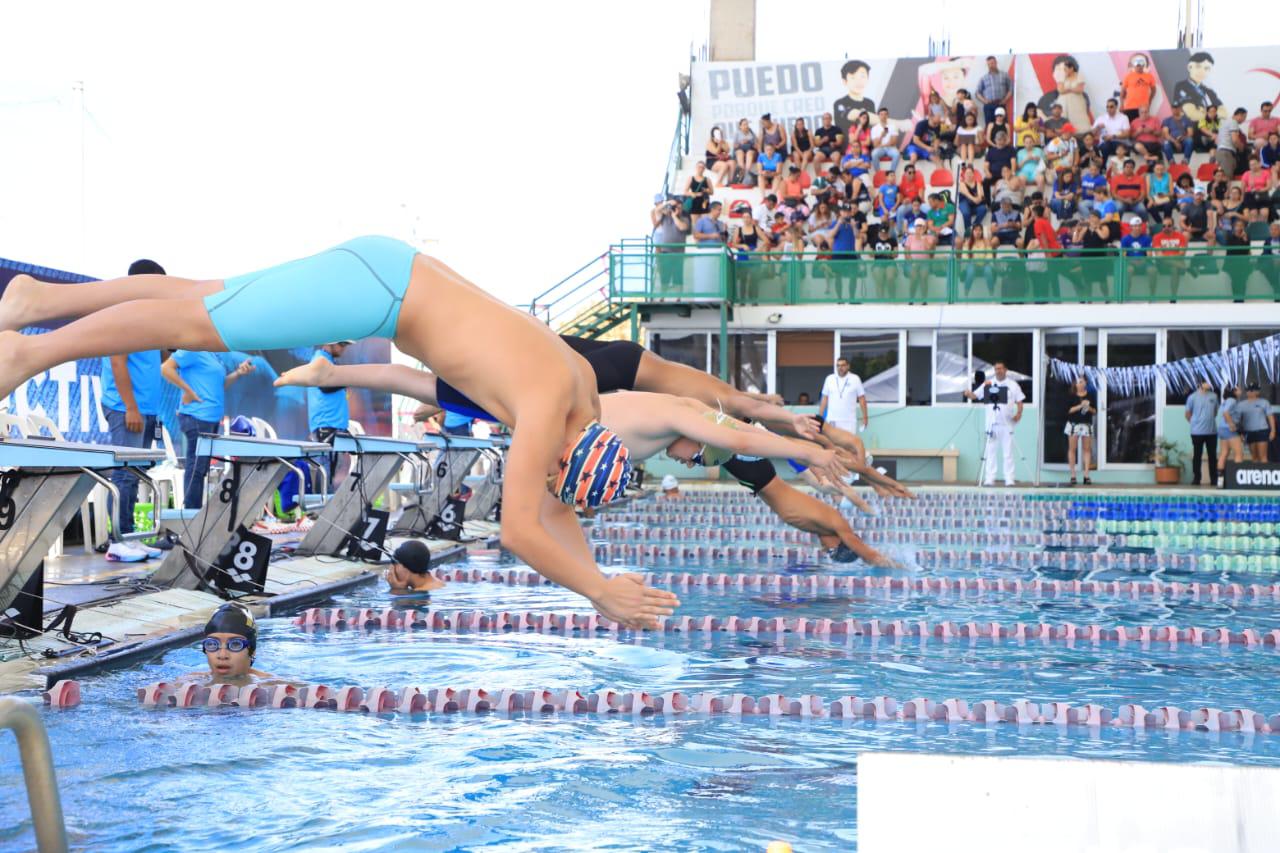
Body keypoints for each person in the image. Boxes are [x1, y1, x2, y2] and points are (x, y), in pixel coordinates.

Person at [0, 236, 680, 630]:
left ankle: (41, 301)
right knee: (194, 323)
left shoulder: (583, 394)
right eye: (553, 472)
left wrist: (599, 571)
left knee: (207, 294)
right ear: (568, 452)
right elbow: (522, 530)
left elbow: (557, 506)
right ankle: (30, 350)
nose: (543, 478)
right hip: (379, 291)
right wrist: (596, 589)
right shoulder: (544, 401)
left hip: (385, 272)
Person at [99, 259, 167, 561]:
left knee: (135, 473)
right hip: (126, 406)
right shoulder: (123, 312)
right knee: (124, 475)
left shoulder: (149, 317)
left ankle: (131, 538)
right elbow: (117, 361)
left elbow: (158, 359)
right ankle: (116, 542)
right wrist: (130, 407)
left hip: (145, 408)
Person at [721, 455, 892, 567]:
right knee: (708, 446)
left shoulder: (822, 527)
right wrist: (897, 566)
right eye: (832, 551)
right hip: (759, 477)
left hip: (758, 481)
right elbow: (866, 553)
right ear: (842, 543)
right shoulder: (837, 524)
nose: (825, 550)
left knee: (709, 447)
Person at [160, 350, 255, 510]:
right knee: (196, 468)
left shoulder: (213, 355)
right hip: (197, 417)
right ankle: (191, 516)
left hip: (210, 419)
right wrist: (188, 391)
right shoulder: (191, 349)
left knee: (201, 469)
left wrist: (238, 373)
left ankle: (194, 514)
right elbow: (165, 368)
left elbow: (220, 384)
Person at [963, 361, 1025, 486]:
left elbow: (1020, 400)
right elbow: (975, 396)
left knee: (1008, 453)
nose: (998, 371)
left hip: (1007, 424)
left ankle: (1009, 479)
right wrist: (968, 394)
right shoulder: (989, 384)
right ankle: (989, 479)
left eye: (1000, 368)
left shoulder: (1013, 385)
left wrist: (1019, 413)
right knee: (990, 453)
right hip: (991, 424)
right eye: (996, 369)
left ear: (1005, 370)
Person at [183, 603, 274, 685]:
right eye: (212, 644)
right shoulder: (189, 682)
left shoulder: (272, 685)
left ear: (252, 651)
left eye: (235, 644)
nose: (222, 655)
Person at [304, 341, 353, 489]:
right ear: (329, 342)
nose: (344, 348)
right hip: (327, 430)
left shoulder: (327, 360)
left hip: (331, 429)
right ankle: (324, 512)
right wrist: (349, 379)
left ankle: (327, 511)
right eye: (341, 344)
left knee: (329, 482)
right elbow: (324, 385)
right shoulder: (321, 359)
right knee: (326, 485)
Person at [651, 195, 690, 291]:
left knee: (678, 278)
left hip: (679, 253)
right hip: (666, 252)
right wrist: (669, 202)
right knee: (665, 278)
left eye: (680, 208)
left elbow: (682, 227)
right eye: (676, 207)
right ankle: (662, 299)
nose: (678, 209)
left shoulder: (685, 219)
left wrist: (674, 216)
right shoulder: (665, 218)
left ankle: (678, 299)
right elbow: (656, 210)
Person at [819, 357, 867, 436]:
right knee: (833, 445)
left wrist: (865, 417)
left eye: (843, 365)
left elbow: (862, 399)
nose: (840, 368)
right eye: (838, 366)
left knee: (849, 446)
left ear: (848, 366)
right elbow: (824, 399)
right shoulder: (829, 379)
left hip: (849, 421)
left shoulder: (855, 379)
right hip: (832, 419)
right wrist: (820, 417)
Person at [1171, 51, 1222, 124]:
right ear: (1190, 67)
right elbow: (1189, 111)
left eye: (1206, 68)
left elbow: (1222, 110)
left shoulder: (1209, 91)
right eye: (1198, 66)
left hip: (1208, 124)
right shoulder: (1181, 86)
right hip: (1191, 124)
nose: (1202, 71)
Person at [1185, 380, 1219, 486]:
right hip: (1197, 432)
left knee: (1212, 456)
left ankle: (1214, 479)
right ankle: (1196, 479)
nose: (1209, 384)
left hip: (1211, 431)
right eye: (1207, 382)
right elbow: (1187, 413)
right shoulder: (1192, 397)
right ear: (1200, 384)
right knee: (1197, 456)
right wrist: (1195, 423)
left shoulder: (1214, 396)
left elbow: (1215, 412)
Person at [1064, 376, 1095, 485]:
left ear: (1086, 382)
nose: (1080, 384)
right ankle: (1073, 475)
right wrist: (1080, 406)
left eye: (1082, 382)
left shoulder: (1090, 395)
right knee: (1072, 449)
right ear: (1075, 384)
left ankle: (1086, 475)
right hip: (1074, 425)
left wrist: (1088, 407)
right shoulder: (1071, 395)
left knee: (1087, 449)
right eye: (1078, 382)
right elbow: (1068, 410)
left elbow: (1094, 411)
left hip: (1086, 424)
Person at [1236, 383, 1276, 462]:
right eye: (1249, 390)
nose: (1251, 392)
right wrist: (1240, 433)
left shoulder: (1264, 402)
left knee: (1263, 457)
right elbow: (1238, 421)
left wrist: (1273, 430)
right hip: (1249, 432)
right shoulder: (1241, 405)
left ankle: (1264, 473)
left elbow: (1270, 417)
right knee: (1254, 457)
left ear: (1257, 391)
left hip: (1262, 431)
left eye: (1254, 390)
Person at [833, 59, 875, 132]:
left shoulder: (870, 103)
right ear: (845, 81)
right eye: (853, 77)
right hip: (849, 142)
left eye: (862, 77)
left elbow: (873, 125)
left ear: (868, 79)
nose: (858, 82)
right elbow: (856, 115)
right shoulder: (840, 103)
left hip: (867, 141)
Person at [1216, 386, 1244, 479]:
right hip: (1229, 429)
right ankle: (1238, 479)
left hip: (1222, 429)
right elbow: (1225, 413)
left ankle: (1220, 479)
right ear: (1234, 391)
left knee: (1224, 453)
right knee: (1238, 454)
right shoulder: (1232, 400)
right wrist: (1231, 425)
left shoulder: (1226, 401)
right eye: (1238, 389)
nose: (1241, 390)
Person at [975, 56, 1012, 126]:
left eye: (992, 63)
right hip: (989, 106)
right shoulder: (984, 78)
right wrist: (985, 101)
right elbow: (977, 93)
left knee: (1003, 126)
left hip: (1001, 104)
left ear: (996, 63)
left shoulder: (1005, 75)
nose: (990, 65)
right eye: (988, 64)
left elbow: (1011, 89)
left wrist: (1005, 100)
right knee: (990, 127)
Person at [1120, 55, 1156, 121]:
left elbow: (1153, 90)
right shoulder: (1128, 76)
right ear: (1134, 66)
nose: (1139, 67)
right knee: (1130, 127)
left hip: (1143, 107)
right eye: (1137, 65)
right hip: (1129, 106)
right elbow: (1122, 92)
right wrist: (1121, 105)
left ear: (1143, 66)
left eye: (1140, 65)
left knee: (1142, 125)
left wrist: (1150, 100)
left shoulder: (1149, 76)